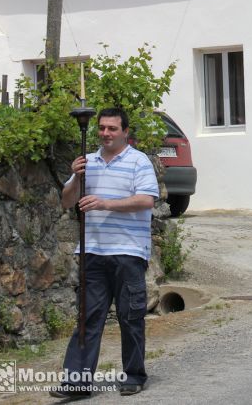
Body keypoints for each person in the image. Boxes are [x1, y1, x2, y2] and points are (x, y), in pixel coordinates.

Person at [51, 108, 159, 399]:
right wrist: (75, 178)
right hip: (93, 251)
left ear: (125, 132)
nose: (105, 134)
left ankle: (134, 375)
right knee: (88, 317)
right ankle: (77, 383)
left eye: (112, 128)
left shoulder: (139, 161)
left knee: (130, 316)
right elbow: (66, 202)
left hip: (128, 251)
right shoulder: (87, 162)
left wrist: (104, 204)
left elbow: (146, 200)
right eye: (101, 128)